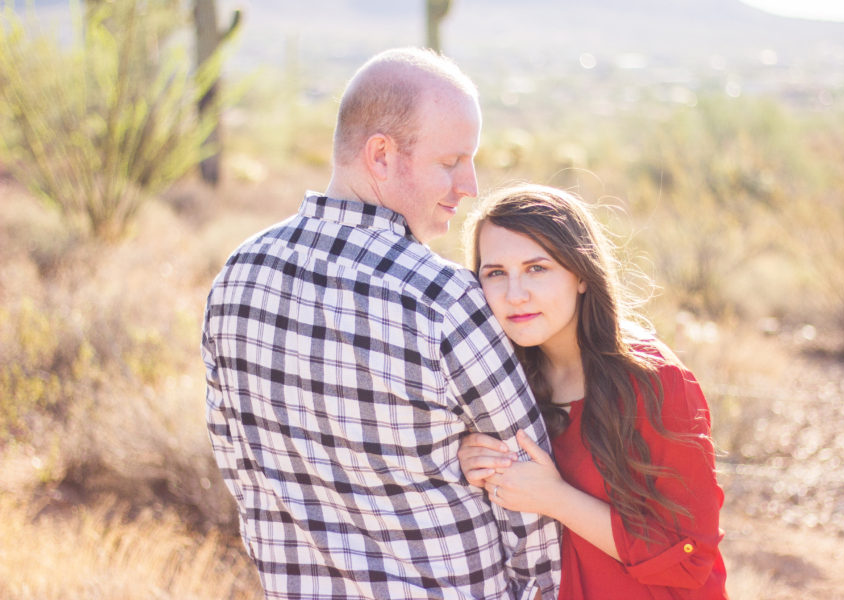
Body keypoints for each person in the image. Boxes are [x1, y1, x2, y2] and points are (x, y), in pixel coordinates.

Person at [201, 48, 560, 600]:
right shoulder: (443, 299)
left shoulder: (238, 273)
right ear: (381, 156)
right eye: (450, 162)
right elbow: (531, 495)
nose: (469, 185)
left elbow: (236, 461)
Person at [457, 184, 728, 599]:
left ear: (582, 274)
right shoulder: (501, 379)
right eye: (496, 273)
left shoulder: (654, 381)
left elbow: (690, 557)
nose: (515, 294)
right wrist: (476, 458)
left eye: (537, 268)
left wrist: (555, 497)